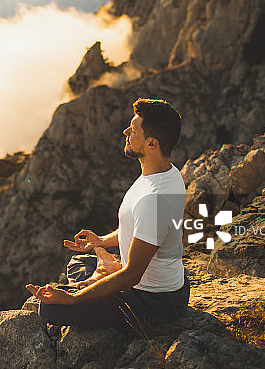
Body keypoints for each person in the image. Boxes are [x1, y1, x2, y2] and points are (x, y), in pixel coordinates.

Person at [26, 98, 189, 333]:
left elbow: (132, 274)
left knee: (50, 309)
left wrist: (76, 298)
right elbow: (138, 229)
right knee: (81, 261)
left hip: (155, 303)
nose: (125, 131)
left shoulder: (155, 200)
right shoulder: (164, 173)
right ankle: (101, 273)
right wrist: (101, 241)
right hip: (171, 286)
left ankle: (96, 278)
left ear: (152, 143)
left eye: (133, 130)